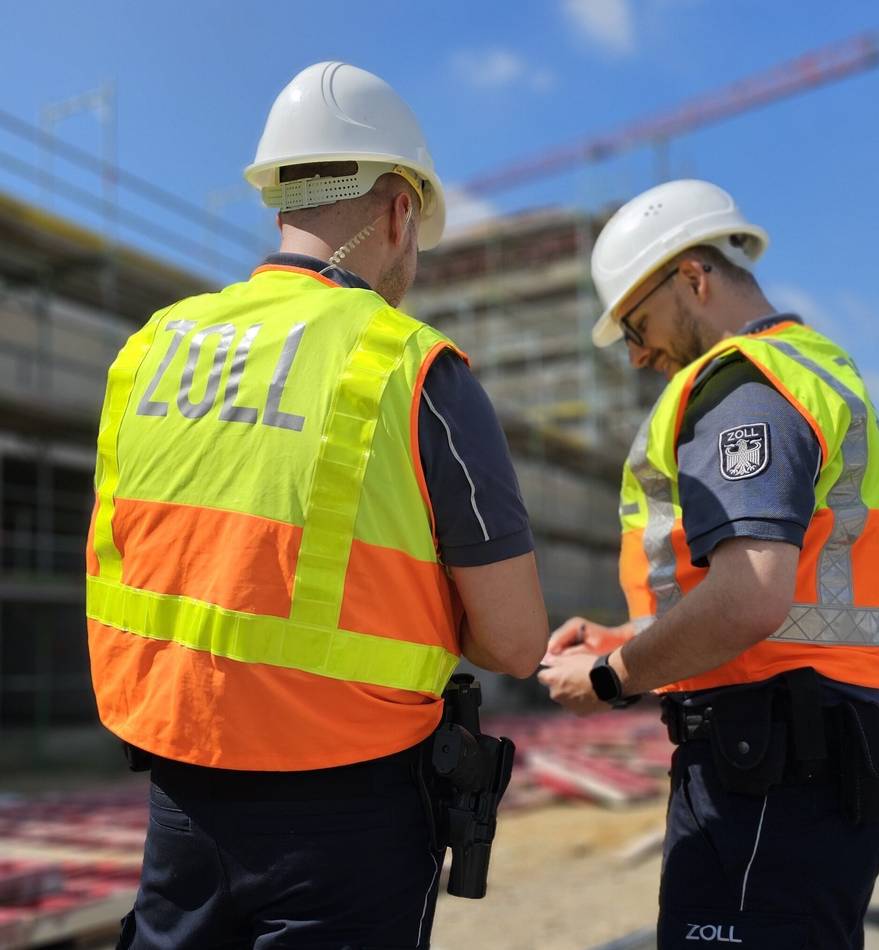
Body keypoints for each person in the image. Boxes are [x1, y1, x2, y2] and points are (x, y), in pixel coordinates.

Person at [85, 61, 547, 949]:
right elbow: (515, 640)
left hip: (181, 797)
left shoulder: (150, 349)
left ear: (281, 196)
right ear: (399, 210)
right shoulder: (413, 368)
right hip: (349, 816)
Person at [538, 179, 879, 948]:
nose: (638, 355)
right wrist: (628, 635)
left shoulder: (745, 385)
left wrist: (613, 677)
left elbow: (750, 597)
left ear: (694, 279)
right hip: (813, 751)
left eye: (638, 324)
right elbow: (784, 599)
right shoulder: (812, 368)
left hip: (772, 767)